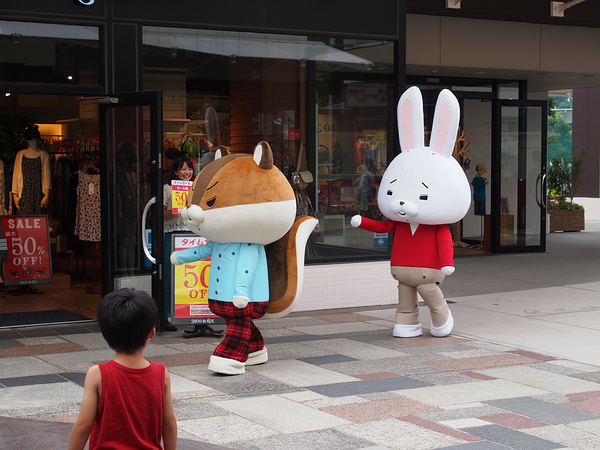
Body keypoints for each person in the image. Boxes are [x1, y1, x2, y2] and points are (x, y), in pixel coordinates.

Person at [68, 288, 177, 449]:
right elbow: (168, 423)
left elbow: (84, 425)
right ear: (152, 333)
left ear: (106, 334)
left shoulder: (98, 374)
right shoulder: (161, 373)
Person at [163, 156, 194, 331]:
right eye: (183, 169)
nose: (187, 172)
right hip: (174, 234)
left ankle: (192, 314)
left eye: (189, 169)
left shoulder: (196, 188)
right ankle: (166, 314)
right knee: (170, 275)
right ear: (175, 171)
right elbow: (158, 215)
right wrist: (174, 210)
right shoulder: (167, 189)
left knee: (191, 275)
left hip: (193, 235)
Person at [12, 125, 51, 215]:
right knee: (25, 222)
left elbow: (46, 177)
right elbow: (16, 175)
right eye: (30, 139)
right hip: (24, 194)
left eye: (33, 139)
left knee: (38, 222)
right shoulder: (20, 154)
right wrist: (15, 195)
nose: (32, 141)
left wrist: (46, 195)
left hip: (39, 195)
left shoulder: (43, 155)